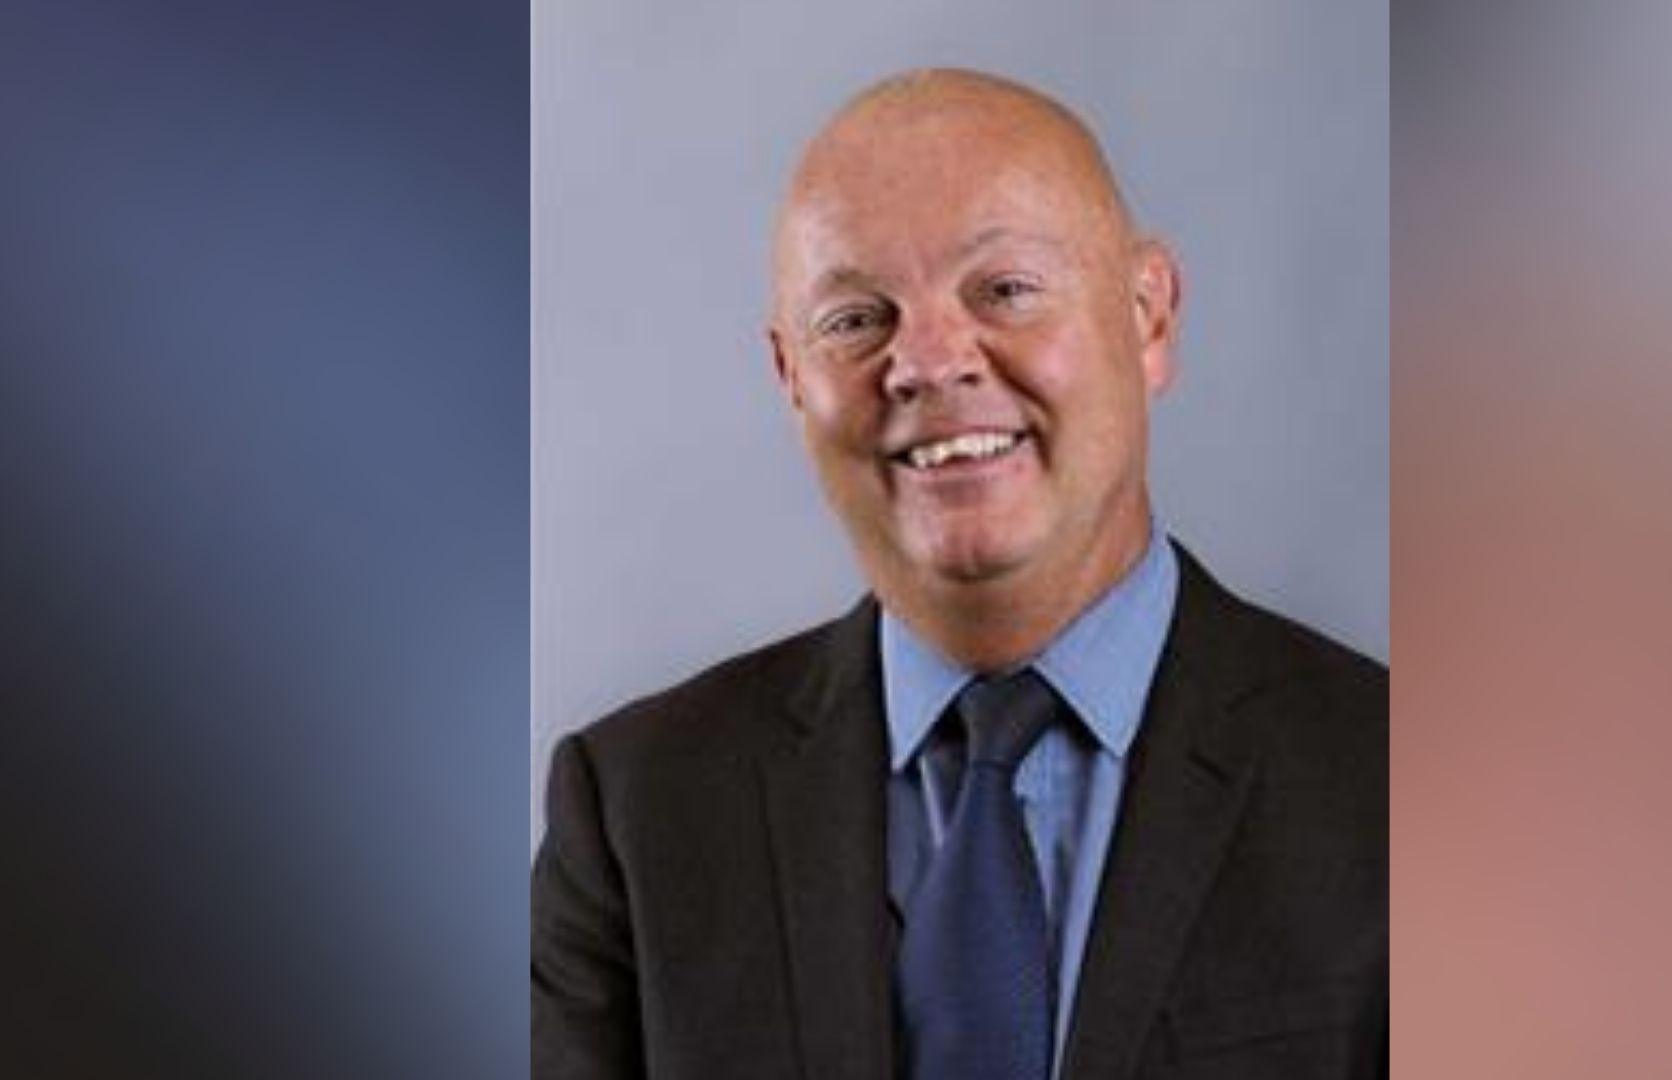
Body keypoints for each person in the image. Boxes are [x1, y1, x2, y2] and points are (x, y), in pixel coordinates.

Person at [533, 68, 1386, 1080]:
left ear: (1149, 316)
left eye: (1006, 290)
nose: (929, 362)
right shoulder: (640, 809)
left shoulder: (1399, 788)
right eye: (856, 318)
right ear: (788, 376)